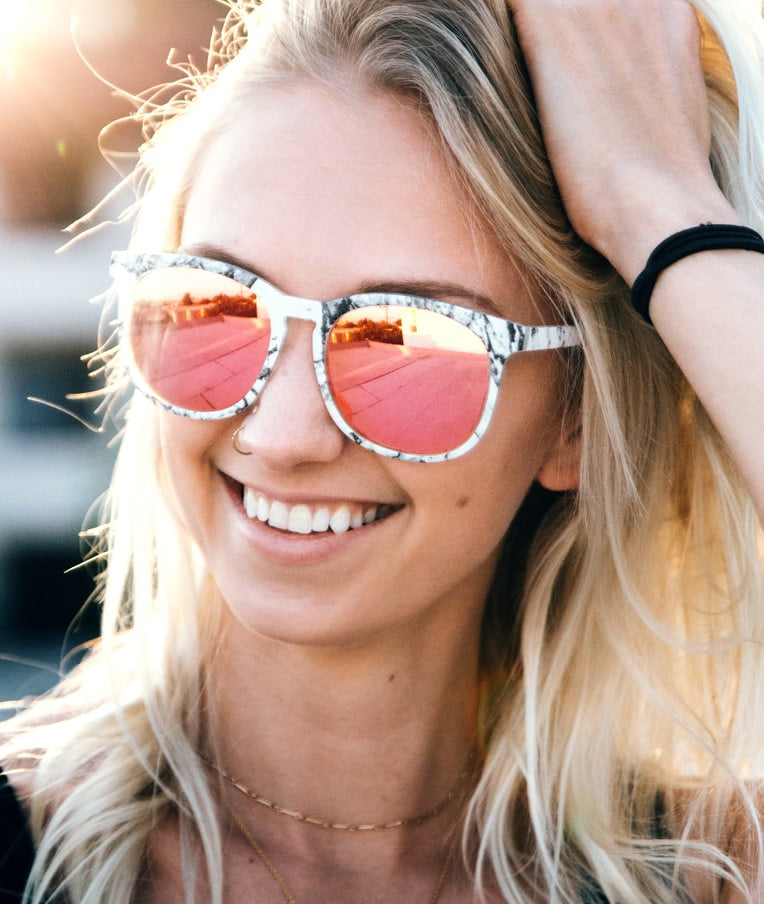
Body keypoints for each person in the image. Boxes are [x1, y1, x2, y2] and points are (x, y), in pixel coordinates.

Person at [1, 0, 763, 901]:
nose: (281, 438)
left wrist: (659, 207)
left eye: (405, 339)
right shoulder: (26, 843)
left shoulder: (708, 872)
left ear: (576, 423)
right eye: (216, 304)